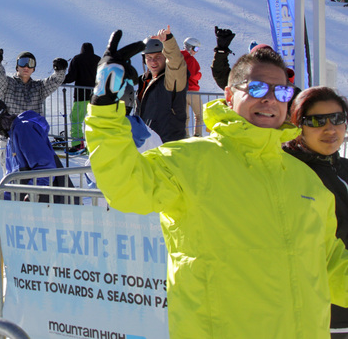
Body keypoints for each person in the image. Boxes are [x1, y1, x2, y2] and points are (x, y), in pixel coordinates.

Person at [85, 31, 348, 339]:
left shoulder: (305, 179)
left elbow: (330, 263)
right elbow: (126, 188)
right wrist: (104, 108)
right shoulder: (190, 161)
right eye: (257, 87)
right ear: (228, 95)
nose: (269, 99)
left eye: (281, 92)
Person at [283, 87, 348, 339]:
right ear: (297, 125)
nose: (330, 129)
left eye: (338, 119)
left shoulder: (342, 167)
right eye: (316, 121)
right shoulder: (289, 172)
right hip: (323, 312)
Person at [0, 98, 73, 203]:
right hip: (31, 205)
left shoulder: (24, 129)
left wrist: (31, 194)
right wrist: (4, 201)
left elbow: (45, 167)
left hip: (50, 202)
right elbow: (12, 179)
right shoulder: (11, 140)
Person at [0, 49, 67, 172]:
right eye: (23, 62)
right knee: (12, 177)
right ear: (17, 67)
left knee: (36, 176)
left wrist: (60, 71)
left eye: (30, 63)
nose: (26, 67)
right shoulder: (7, 85)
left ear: (34, 68)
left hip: (33, 140)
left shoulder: (39, 87)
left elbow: (54, 82)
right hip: (10, 140)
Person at [136, 25, 187, 143]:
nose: (153, 61)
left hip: (167, 145)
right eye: (149, 57)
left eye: (158, 57)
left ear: (165, 58)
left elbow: (176, 63)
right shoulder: (145, 81)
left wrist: (168, 41)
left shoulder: (171, 80)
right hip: (147, 144)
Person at [62, 42, 100, 154]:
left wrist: (60, 79)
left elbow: (71, 77)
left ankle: (78, 144)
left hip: (81, 96)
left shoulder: (77, 59)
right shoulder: (99, 60)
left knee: (76, 120)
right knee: (94, 121)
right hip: (96, 96)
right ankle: (95, 145)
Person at [181, 37, 203, 136]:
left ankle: (185, 135)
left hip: (181, 91)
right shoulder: (190, 59)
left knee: (185, 117)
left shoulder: (178, 57)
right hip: (193, 91)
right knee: (199, 115)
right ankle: (197, 135)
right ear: (190, 47)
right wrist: (200, 75)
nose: (196, 52)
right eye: (195, 49)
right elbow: (194, 75)